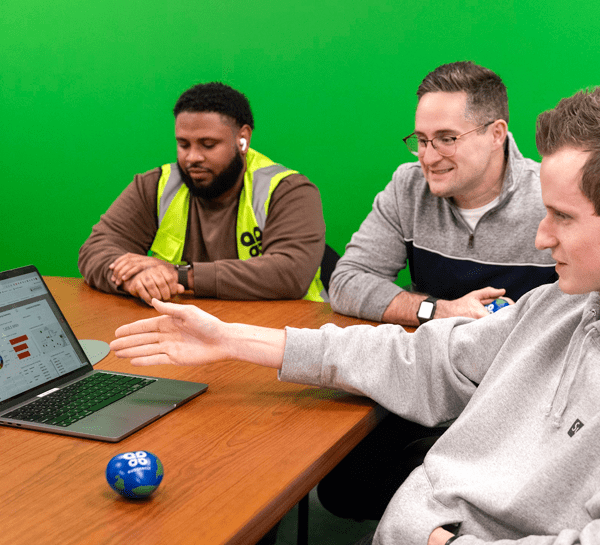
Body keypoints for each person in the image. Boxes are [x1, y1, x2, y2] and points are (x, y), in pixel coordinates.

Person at [110, 87, 600, 545]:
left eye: (563, 216)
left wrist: (436, 538)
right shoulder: (558, 303)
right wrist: (231, 339)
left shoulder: (281, 188)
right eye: (422, 140)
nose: (541, 237)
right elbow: (421, 357)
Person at [329, 61, 556, 327]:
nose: (429, 157)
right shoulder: (409, 187)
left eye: (447, 139)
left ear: (496, 135)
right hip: (429, 359)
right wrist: (439, 310)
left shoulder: (551, 195)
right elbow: (347, 282)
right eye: (422, 140)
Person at [78, 82, 327, 304]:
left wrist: (179, 275)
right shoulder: (155, 185)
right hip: (186, 332)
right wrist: (135, 279)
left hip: (282, 333)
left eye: (208, 145)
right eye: (183, 144)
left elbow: (291, 273)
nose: (192, 157)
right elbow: (96, 248)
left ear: (243, 139)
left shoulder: (288, 190)